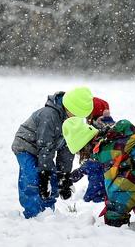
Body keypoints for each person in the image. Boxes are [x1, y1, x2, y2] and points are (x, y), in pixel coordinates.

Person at [63, 116, 135, 228]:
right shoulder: (108, 138)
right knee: (134, 189)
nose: (82, 156)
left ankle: (116, 228)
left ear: (85, 146)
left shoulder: (104, 149)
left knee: (118, 193)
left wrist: (111, 208)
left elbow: (111, 183)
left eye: (80, 152)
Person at [11, 87, 94, 218]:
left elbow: (67, 150)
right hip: (26, 147)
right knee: (32, 177)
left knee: (53, 180)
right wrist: (45, 175)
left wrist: (63, 176)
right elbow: (45, 146)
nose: (76, 118)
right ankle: (32, 214)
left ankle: (47, 213)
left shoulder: (72, 121)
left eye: (80, 117)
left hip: (45, 151)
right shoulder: (49, 116)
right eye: (75, 114)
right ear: (68, 108)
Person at [71, 97, 114, 203]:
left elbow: (97, 160)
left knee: (97, 174)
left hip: (105, 177)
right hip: (116, 176)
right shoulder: (110, 127)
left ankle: (95, 199)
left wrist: (81, 170)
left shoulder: (100, 131)